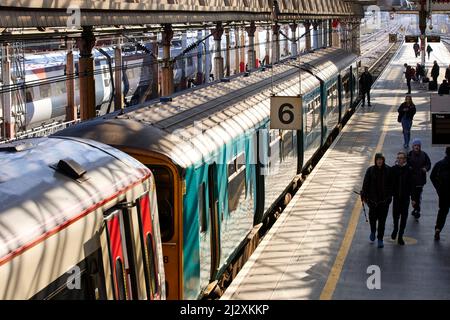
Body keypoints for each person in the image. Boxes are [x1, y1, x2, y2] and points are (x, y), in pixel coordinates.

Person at [361, 153, 393, 248]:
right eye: (378, 159)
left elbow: (391, 185)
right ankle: (373, 231)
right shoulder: (370, 170)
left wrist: (389, 198)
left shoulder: (388, 170)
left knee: (382, 222)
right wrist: (364, 196)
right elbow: (365, 184)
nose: (379, 161)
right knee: (372, 219)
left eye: (381, 159)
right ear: (375, 160)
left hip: (384, 202)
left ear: (383, 160)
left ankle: (380, 239)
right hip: (373, 202)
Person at [391, 151, 413, 245]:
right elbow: (389, 183)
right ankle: (395, 228)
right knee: (395, 216)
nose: (400, 159)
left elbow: (412, 185)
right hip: (396, 198)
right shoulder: (393, 169)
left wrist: (414, 198)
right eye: (398, 158)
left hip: (405, 199)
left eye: (401, 158)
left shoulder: (409, 169)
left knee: (404, 218)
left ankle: (400, 236)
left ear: (405, 159)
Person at [407, 139, 432, 220]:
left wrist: (425, 168)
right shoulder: (410, 154)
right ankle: (415, 208)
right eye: (415, 145)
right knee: (413, 196)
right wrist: (408, 168)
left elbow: (428, 164)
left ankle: (417, 210)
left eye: (418, 146)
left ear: (420, 147)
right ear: (413, 146)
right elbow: (406, 163)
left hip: (420, 180)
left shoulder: (424, 155)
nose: (416, 147)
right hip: (411, 180)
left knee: (417, 196)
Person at [430, 147, 450, 240]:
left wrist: (438, 188)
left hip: (443, 193)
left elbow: (432, 176)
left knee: (442, 212)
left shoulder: (440, 164)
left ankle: (438, 229)